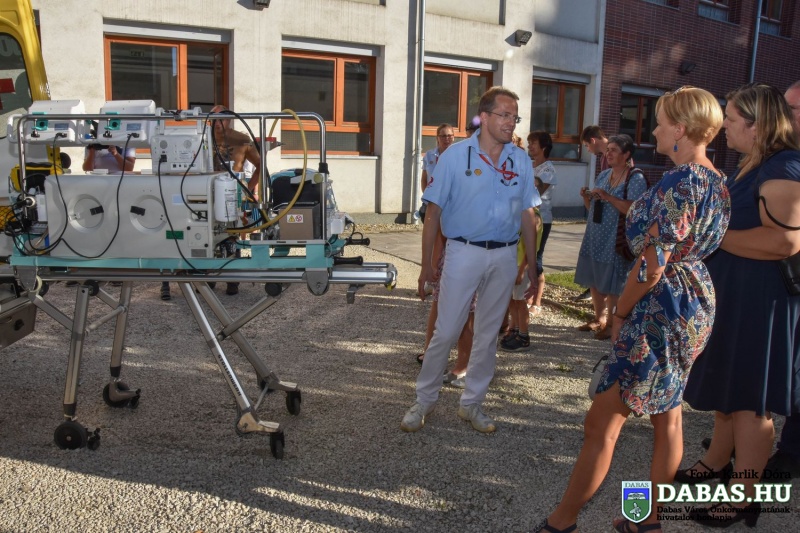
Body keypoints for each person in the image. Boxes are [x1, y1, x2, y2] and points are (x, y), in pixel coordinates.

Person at [537, 86, 730, 533]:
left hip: (658, 305)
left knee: (602, 423)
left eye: (659, 123)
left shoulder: (682, 181)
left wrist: (621, 312)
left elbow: (653, 262)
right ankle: (648, 521)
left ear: (680, 129)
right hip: (694, 299)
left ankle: (562, 522)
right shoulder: (717, 180)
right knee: (669, 417)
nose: (653, 131)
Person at [680, 83, 800, 528]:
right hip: (740, 295)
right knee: (728, 390)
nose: (724, 126)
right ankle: (716, 462)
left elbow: (784, 242)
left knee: (751, 402)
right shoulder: (756, 162)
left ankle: (744, 498)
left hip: (761, 304)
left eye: (731, 119)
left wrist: (711, 236)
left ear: (757, 124)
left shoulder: (785, 167)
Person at [401, 86, 540, 434]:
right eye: (505, 115)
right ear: (485, 117)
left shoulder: (520, 160)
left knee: (488, 334)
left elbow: (528, 215)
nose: (511, 122)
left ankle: (472, 403)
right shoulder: (455, 156)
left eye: (515, 117)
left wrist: (533, 265)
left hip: (504, 254)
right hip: (463, 251)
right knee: (447, 330)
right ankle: (424, 400)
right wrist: (426, 265)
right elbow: (433, 213)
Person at [574, 135, 646, 340]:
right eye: (608, 150)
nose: (609, 153)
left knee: (614, 282)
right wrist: (587, 198)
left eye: (614, 150)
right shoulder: (604, 174)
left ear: (627, 154)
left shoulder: (635, 178)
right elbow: (593, 208)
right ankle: (600, 319)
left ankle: (614, 324)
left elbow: (634, 209)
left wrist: (608, 197)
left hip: (616, 238)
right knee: (595, 279)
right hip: (596, 234)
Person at [527, 130, 558, 317]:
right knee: (524, 256)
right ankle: (527, 295)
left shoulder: (548, 169)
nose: (529, 146)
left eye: (533, 143)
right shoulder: (528, 165)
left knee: (537, 257)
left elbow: (536, 192)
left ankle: (537, 301)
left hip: (541, 220)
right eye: (529, 142)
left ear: (544, 147)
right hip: (525, 217)